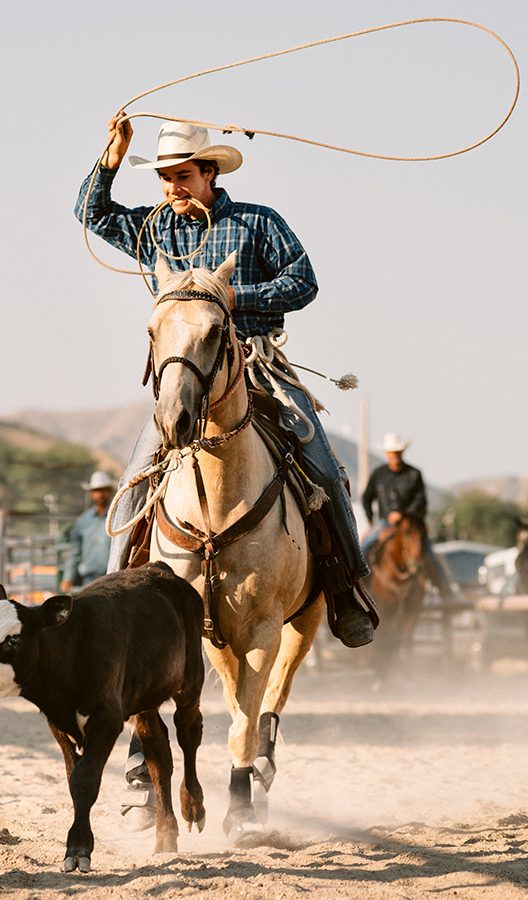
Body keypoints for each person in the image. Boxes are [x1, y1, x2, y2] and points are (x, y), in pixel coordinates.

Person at [75, 117, 375, 649]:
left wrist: (239, 298)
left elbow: (303, 282)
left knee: (324, 469)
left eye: (182, 175)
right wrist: (112, 157)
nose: (172, 187)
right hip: (185, 381)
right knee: (133, 484)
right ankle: (116, 599)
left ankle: (348, 590)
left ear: (209, 171)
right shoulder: (155, 229)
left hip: (258, 367)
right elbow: (90, 214)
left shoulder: (259, 222)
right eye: (164, 178)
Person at [361, 433, 456, 601]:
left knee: (430, 556)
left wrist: (403, 514)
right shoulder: (379, 474)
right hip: (384, 524)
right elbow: (367, 497)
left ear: (402, 453)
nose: (395, 456)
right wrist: (370, 520)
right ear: (386, 454)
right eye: (392, 452)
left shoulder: (414, 474)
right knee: (364, 549)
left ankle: (447, 593)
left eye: (397, 452)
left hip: (410, 525)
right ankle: (355, 590)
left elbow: (421, 501)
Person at [59, 471, 116, 593]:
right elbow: (75, 553)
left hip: (112, 578)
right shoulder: (83, 521)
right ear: (91, 494)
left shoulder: (118, 518)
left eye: (103, 490)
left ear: (110, 492)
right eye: (96, 490)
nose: (100, 494)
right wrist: (68, 578)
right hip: (89, 580)